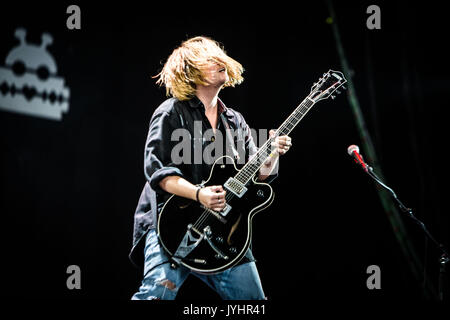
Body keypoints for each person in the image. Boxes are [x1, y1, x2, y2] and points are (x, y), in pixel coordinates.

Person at [130, 36, 292, 300]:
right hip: (172, 225)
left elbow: (259, 175)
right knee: (156, 295)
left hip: (223, 232)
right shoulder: (171, 112)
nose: (220, 61)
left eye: (220, 56)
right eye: (210, 58)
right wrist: (199, 194)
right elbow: (159, 174)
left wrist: (272, 153)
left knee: (253, 303)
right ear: (191, 70)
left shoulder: (234, 120)